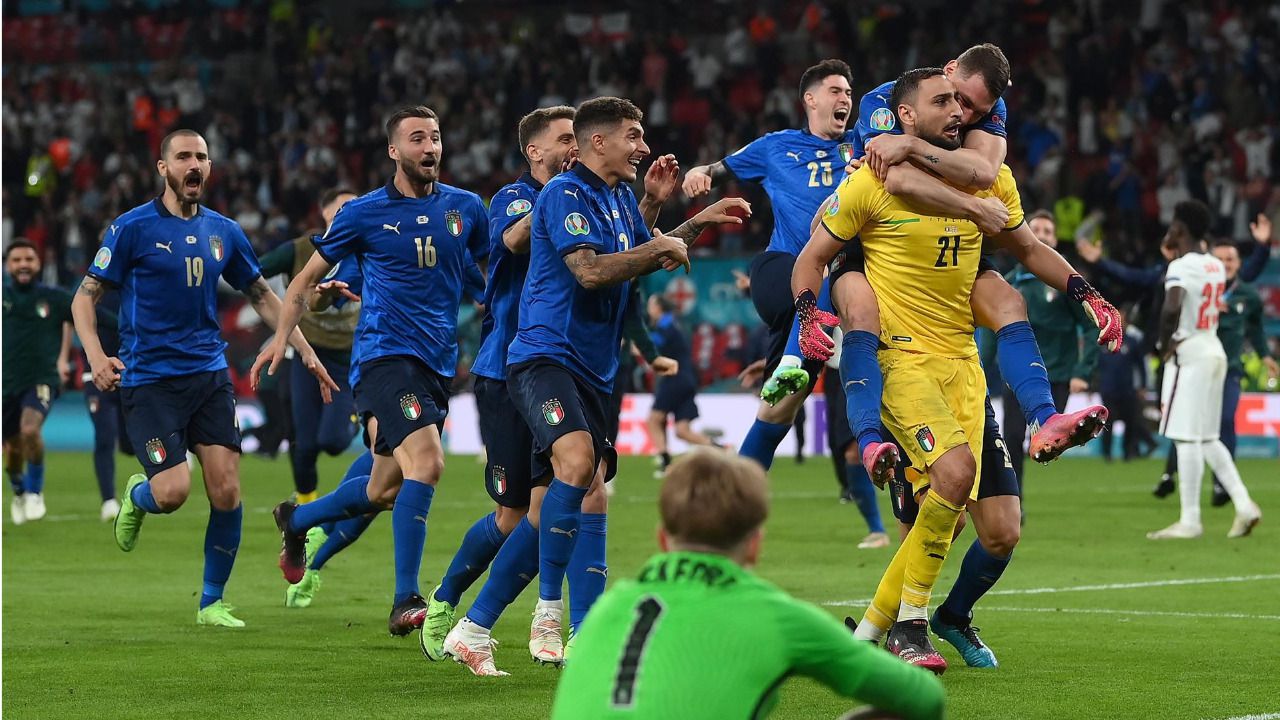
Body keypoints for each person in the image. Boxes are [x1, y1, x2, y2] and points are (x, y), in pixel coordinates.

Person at [796, 68, 1119, 672]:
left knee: (999, 528)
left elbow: (1025, 245)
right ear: (906, 116)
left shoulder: (990, 177)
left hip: (961, 364)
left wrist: (1086, 293)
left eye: (964, 106)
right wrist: (807, 311)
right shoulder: (875, 177)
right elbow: (814, 252)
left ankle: (879, 632)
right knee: (941, 486)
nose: (959, 113)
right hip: (897, 358)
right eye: (944, 101)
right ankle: (909, 626)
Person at [463, 96, 742, 673]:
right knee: (575, 464)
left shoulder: (617, 196)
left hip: (594, 367)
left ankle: (519, 627)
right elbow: (591, 269)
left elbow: (638, 254)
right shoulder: (564, 192)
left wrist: (681, 219)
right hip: (545, 354)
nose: (644, 146)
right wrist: (661, 242)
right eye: (634, 136)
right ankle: (531, 615)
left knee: (584, 487)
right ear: (598, 142)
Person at [71, 129, 338, 627]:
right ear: (163, 167)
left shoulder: (224, 232)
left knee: (227, 491)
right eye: (184, 157)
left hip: (208, 377)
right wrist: (96, 354)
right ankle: (136, 496)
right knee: (171, 493)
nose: (194, 165)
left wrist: (302, 348)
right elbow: (85, 297)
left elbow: (261, 293)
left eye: (202, 157)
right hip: (149, 380)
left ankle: (212, 601)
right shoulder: (130, 229)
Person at [251, 105, 490, 636]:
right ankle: (405, 598)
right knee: (427, 465)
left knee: (384, 489)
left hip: (435, 364)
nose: (430, 147)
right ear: (393, 151)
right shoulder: (362, 213)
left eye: (435, 137)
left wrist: (501, 309)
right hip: (384, 359)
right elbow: (302, 284)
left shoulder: (467, 208)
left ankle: (299, 519)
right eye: (417, 138)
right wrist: (281, 340)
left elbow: (479, 278)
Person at [549, 450, 946, 720]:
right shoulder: (774, 617)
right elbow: (925, 699)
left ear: (663, 539)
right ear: (755, 545)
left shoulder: (609, 608)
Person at [682, 59, 860, 472]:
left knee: (776, 412)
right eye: (836, 91)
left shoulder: (865, 146)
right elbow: (716, 169)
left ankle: (734, 500)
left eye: (849, 93)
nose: (845, 99)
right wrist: (698, 172)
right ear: (810, 99)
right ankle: (795, 359)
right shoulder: (774, 147)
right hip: (781, 271)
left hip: (831, 299)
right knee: (826, 275)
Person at [1148, 200, 1262, 540]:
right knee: (1209, 437)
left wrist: (1163, 345)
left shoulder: (1181, 266)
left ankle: (1190, 519)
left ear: (1180, 228)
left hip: (1190, 351)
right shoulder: (1214, 264)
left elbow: (1172, 308)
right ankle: (1243, 504)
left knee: (1185, 437)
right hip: (1215, 348)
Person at [257, 187, 361, 503]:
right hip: (306, 356)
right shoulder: (300, 250)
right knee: (303, 441)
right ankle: (306, 506)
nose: (350, 212)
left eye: (356, 206)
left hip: (347, 359)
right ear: (324, 212)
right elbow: (252, 273)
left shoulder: (371, 248)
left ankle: (355, 418)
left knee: (330, 440)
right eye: (342, 207)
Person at [1000, 210, 1100, 487]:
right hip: (1016, 377)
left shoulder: (1064, 283)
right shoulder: (1007, 283)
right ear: (1024, 235)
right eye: (1036, 230)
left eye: (1048, 231)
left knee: (1045, 444)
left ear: (1055, 240)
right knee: (1009, 438)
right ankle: (1013, 502)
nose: (1042, 235)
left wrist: (1082, 371)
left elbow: (1091, 326)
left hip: (1057, 374)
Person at [3, 238, 73, 524]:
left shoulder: (53, 298)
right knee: (13, 450)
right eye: (17, 260)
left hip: (41, 379)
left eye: (28, 259)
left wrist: (127, 329)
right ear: (8, 265)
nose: (23, 264)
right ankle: (19, 491)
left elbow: (87, 315)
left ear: (38, 264)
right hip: (6, 384)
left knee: (30, 430)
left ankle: (35, 492)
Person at [644, 293, 719, 476]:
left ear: (658, 308)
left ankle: (665, 461)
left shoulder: (667, 326)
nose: (649, 308)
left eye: (651, 305)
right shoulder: (673, 324)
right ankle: (723, 451)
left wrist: (635, 342)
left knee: (654, 419)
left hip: (675, 379)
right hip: (686, 380)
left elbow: (652, 344)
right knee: (682, 430)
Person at [82, 289, 130, 521]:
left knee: (130, 445)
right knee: (104, 436)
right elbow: (75, 313)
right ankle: (108, 500)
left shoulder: (135, 283)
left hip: (129, 372)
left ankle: (179, 446)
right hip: (95, 376)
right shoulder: (91, 287)